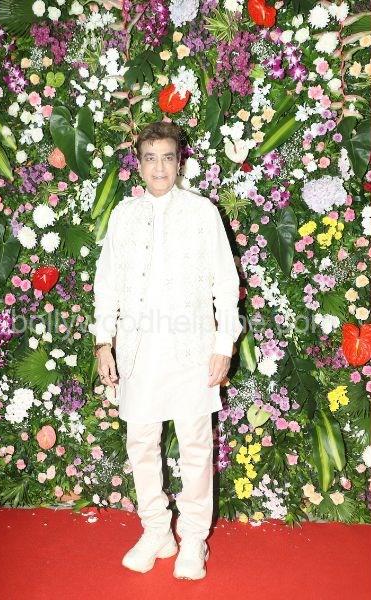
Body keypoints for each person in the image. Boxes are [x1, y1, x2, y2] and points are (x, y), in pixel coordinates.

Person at [92, 121, 243, 580]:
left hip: (190, 348)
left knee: (195, 446)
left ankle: (193, 539)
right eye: (150, 158)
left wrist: (223, 344)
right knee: (141, 442)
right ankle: (157, 530)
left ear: (180, 163)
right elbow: (107, 284)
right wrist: (103, 341)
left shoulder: (201, 213)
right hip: (138, 348)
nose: (159, 167)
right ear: (139, 165)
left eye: (167, 157)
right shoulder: (123, 215)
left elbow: (226, 282)